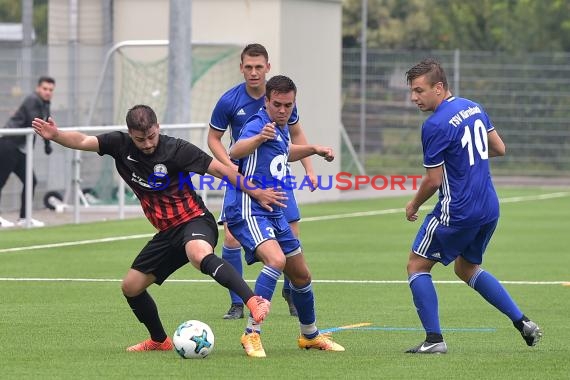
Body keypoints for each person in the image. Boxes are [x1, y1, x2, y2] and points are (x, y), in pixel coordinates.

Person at [32, 104, 285, 352]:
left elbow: (221, 169)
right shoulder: (119, 145)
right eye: (141, 139)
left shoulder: (176, 149)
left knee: (198, 255)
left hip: (195, 220)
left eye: (152, 136)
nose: (148, 143)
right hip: (167, 234)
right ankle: (159, 340)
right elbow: (83, 141)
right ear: (131, 134)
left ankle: (253, 301)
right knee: (131, 287)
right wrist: (56, 135)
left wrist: (257, 191)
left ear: (158, 127)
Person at [403, 58, 542, 354]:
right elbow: (499, 148)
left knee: (417, 265)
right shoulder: (473, 107)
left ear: (439, 88)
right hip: (488, 208)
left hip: (458, 211)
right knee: (466, 268)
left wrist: (413, 204)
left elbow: (433, 181)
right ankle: (523, 322)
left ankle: (434, 340)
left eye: (419, 90)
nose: (414, 97)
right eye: (412, 91)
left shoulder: (435, 125)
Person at [226, 75, 344, 358]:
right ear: (266, 101)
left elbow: (285, 150)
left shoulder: (281, 128)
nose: (282, 110)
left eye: (288, 105)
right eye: (277, 104)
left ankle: (310, 336)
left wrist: (313, 149)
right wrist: (257, 138)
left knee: (301, 276)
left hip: (274, 212)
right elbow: (234, 151)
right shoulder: (257, 124)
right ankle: (251, 333)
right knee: (276, 260)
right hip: (249, 209)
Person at [209, 43, 317, 319]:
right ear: (241, 68)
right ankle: (238, 302)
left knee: (292, 240)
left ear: (268, 67)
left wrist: (311, 168)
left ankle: (292, 292)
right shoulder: (230, 101)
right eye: (249, 67)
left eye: (259, 67)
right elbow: (215, 139)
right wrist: (230, 167)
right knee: (232, 238)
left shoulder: (281, 95)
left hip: (279, 180)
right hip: (245, 178)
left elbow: (296, 135)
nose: (254, 72)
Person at [0, 76, 55, 228]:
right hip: (8, 144)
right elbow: (35, 121)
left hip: (21, 150)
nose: (47, 92)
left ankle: (24, 217)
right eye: (45, 89)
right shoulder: (33, 100)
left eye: (50, 90)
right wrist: (46, 142)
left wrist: (47, 144)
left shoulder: (45, 104)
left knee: (31, 181)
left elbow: (45, 127)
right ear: (38, 88)